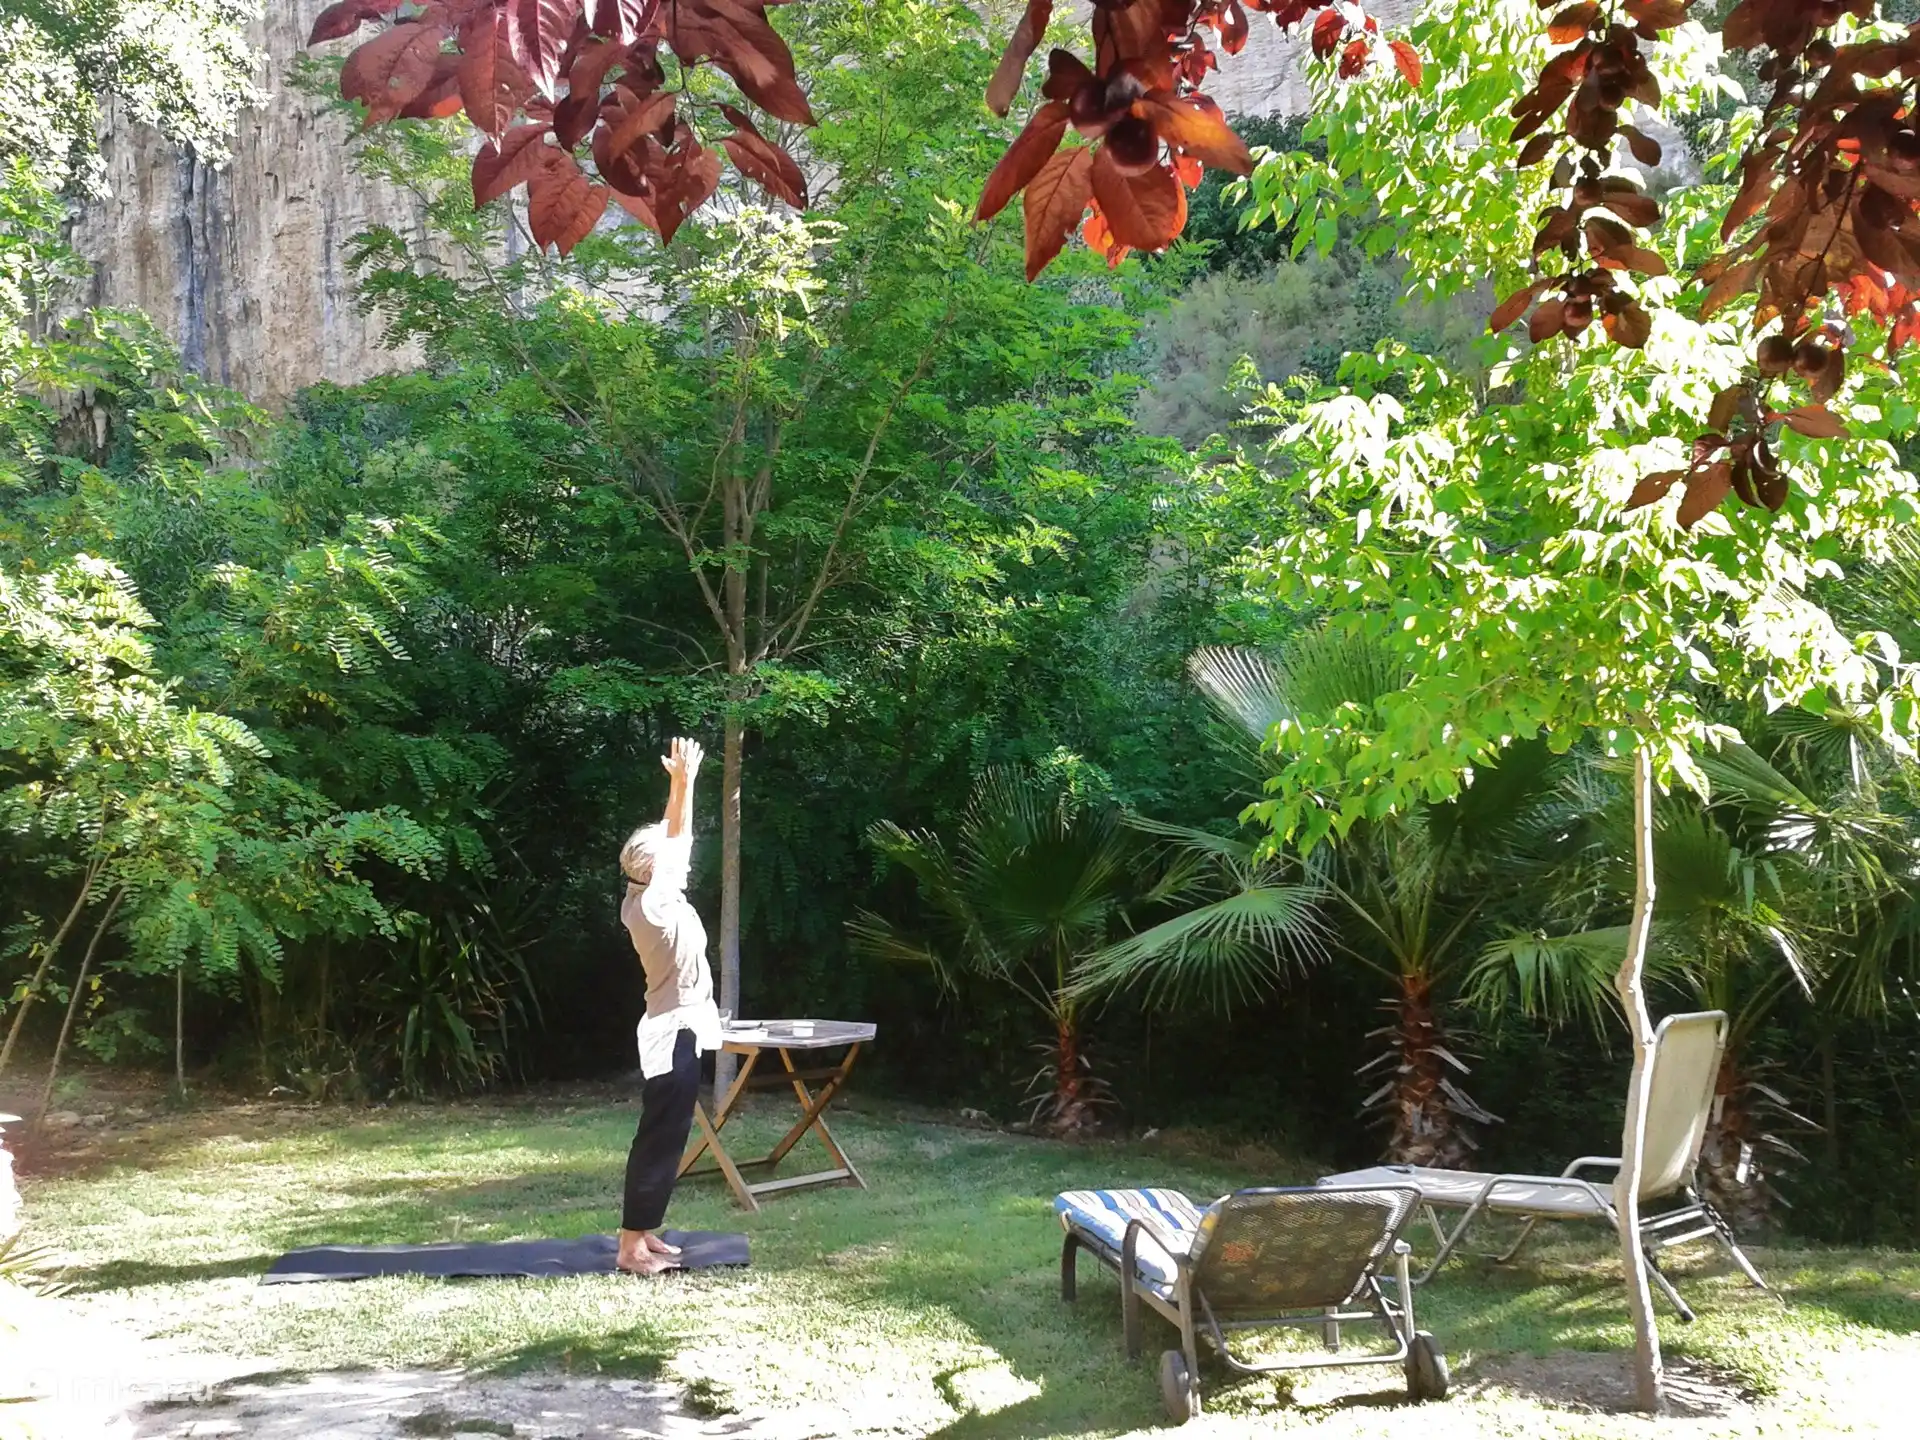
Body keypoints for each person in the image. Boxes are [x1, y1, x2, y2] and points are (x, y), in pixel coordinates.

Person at [615, 736, 723, 1277]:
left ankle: (642, 1233)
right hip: (672, 1032)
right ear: (654, 868)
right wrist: (685, 783)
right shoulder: (655, 904)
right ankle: (630, 1247)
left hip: (677, 1028)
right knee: (659, 1138)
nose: (682, 855)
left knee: (668, 1135)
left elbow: (675, 843)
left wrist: (681, 786)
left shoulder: (649, 897)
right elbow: (677, 840)